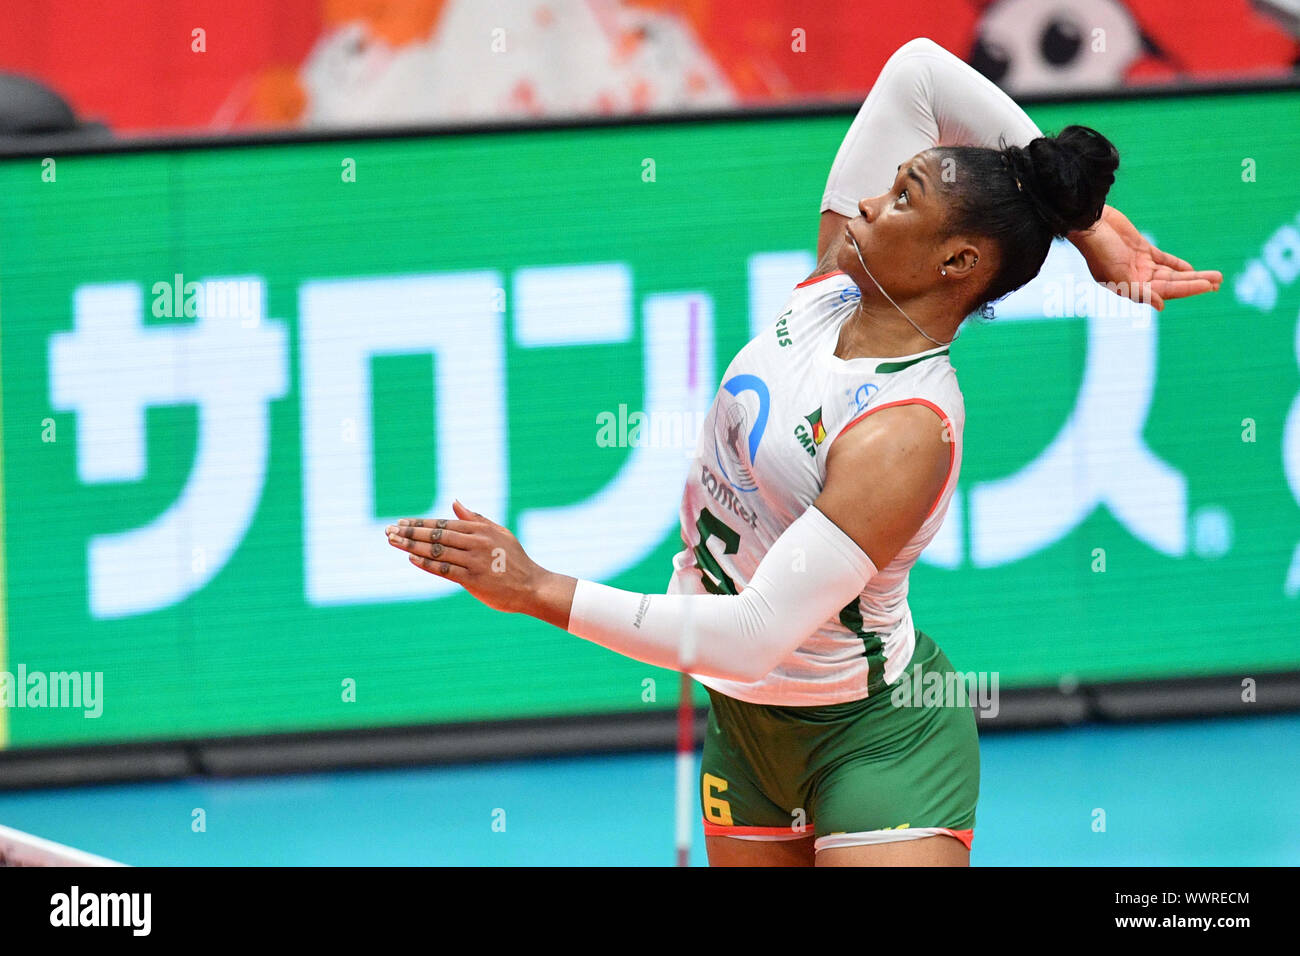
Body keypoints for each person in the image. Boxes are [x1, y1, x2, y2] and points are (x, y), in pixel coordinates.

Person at [384, 37, 1221, 866]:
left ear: (956, 261)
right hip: (746, 732)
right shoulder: (830, 290)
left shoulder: (905, 430)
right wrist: (1088, 225)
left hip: (875, 736)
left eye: (902, 199)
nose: (865, 203)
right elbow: (920, 69)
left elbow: (754, 637)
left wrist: (537, 589)